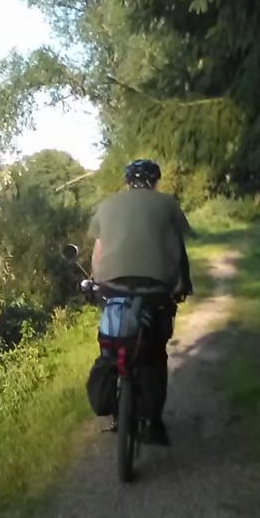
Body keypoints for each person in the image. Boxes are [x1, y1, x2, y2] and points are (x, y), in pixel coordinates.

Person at [88, 159, 195, 445]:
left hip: (113, 287)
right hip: (155, 290)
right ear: (156, 182)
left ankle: (114, 400)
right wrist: (181, 286)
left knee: (112, 338)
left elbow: (98, 255)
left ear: (126, 183)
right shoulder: (167, 204)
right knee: (157, 351)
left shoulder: (107, 205)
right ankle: (154, 420)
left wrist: (99, 284)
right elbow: (177, 250)